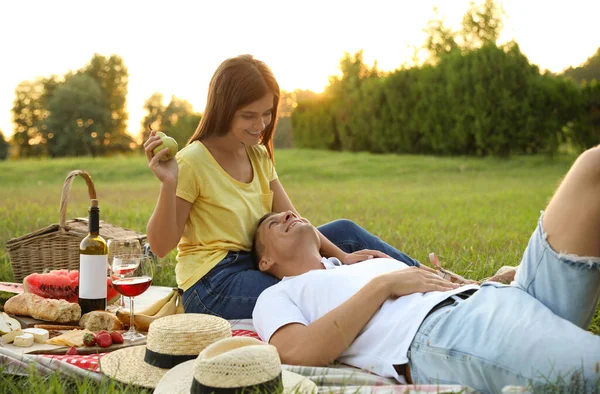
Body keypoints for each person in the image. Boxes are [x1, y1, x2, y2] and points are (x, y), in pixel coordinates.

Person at [252, 146, 600, 393]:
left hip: (498, 299)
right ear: (265, 261)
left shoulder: (352, 264)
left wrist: (487, 282)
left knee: (591, 168)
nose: (286, 213)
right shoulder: (277, 295)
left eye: (286, 213)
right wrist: (385, 285)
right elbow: (298, 353)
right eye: (272, 223)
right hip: (444, 333)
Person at [143, 54, 421, 320]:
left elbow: (296, 220)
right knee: (313, 289)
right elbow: (160, 245)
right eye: (248, 115)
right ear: (224, 110)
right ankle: (398, 297)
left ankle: (432, 278)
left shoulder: (258, 155)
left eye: (266, 113)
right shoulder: (192, 162)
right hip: (213, 284)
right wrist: (169, 184)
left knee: (344, 232)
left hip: (259, 258)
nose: (260, 124)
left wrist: (344, 257)